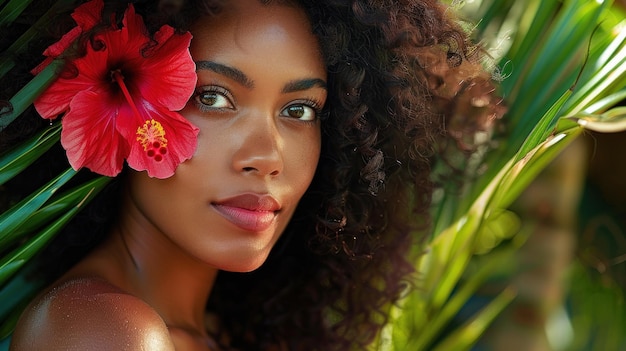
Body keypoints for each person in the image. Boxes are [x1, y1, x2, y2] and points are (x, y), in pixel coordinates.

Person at [0, 0, 504, 349]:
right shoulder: (105, 332)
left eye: (301, 110)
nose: (267, 156)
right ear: (119, 105)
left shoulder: (221, 334)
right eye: (213, 97)